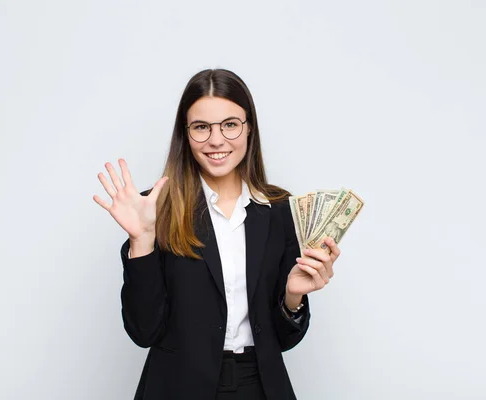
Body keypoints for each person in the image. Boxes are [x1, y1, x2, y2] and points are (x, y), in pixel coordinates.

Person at [93, 69, 341, 400]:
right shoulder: (155, 210)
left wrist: (292, 298)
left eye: (229, 124)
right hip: (177, 387)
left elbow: (284, 340)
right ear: (186, 134)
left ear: (248, 127)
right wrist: (142, 241)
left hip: (260, 386)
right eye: (201, 127)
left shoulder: (280, 210)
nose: (216, 140)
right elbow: (143, 331)